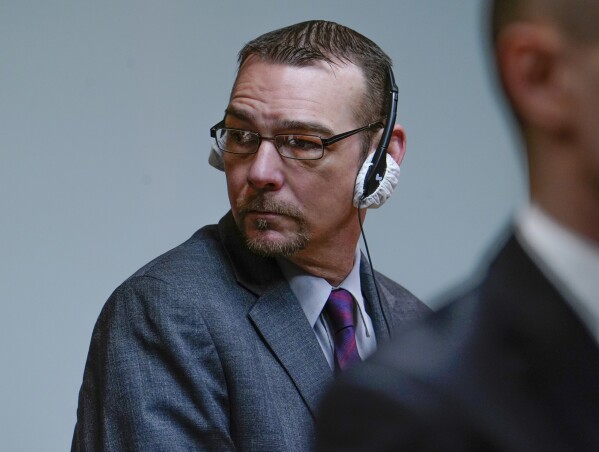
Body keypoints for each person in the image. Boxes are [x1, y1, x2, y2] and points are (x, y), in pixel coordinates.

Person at [72, 20, 429, 451]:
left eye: (301, 142)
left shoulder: (420, 327)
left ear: (382, 158)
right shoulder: (164, 312)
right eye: (241, 136)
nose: (259, 172)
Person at [316, 1, 599, 450]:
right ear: (539, 76)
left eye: (305, 142)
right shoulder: (408, 407)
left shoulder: (407, 323)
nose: (263, 172)